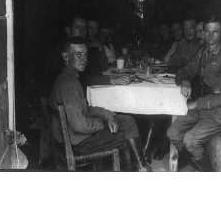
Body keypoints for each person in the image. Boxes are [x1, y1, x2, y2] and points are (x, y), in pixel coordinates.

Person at [50, 36, 151, 171]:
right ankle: (139, 169)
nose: (84, 60)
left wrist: (107, 115)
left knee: (127, 121)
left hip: (78, 137)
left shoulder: (70, 78)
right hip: (80, 144)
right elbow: (79, 125)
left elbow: (84, 110)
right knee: (125, 134)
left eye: (85, 55)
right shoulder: (68, 85)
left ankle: (140, 166)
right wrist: (103, 123)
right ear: (66, 57)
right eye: (78, 55)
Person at [167, 16, 221, 171]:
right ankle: (193, 164)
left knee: (190, 140)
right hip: (204, 108)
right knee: (172, 132)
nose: (210, 36)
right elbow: (185, 70)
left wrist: (197, 103)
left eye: (215, 32)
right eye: (207, 32)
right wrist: (185, 80)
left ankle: (206, 172)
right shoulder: (203, 52)